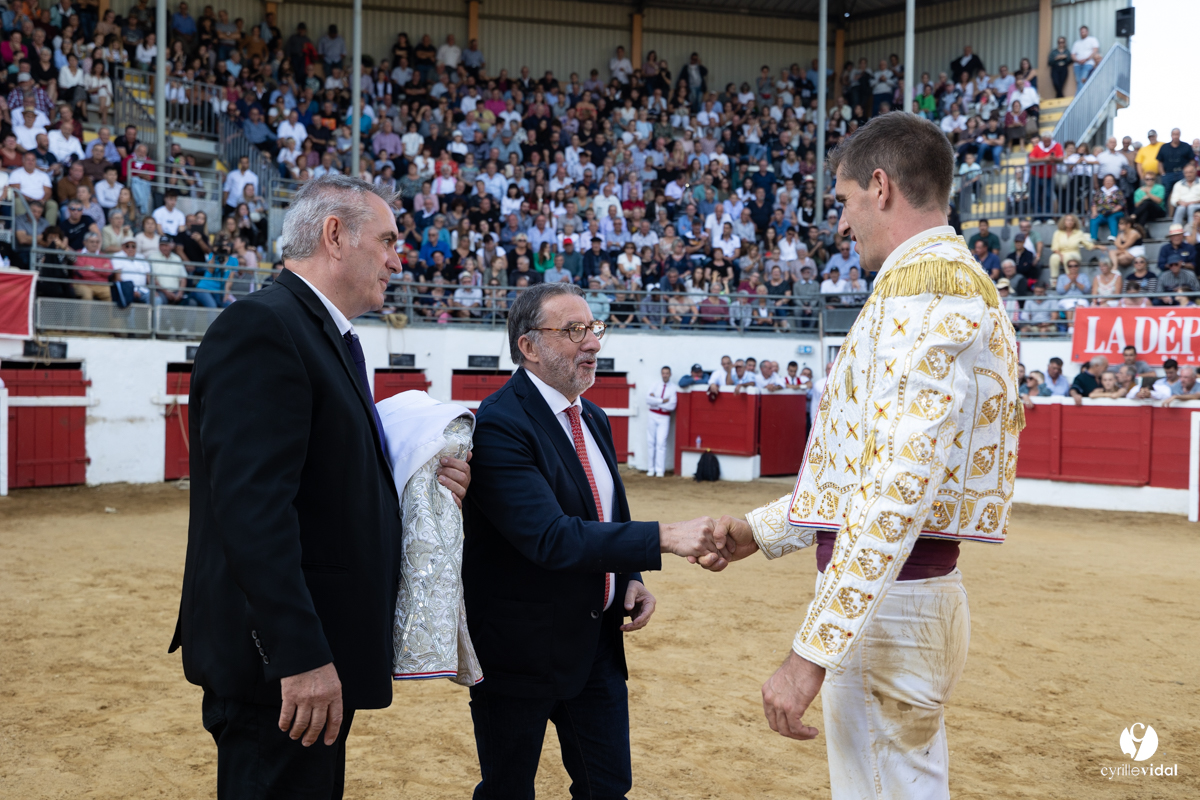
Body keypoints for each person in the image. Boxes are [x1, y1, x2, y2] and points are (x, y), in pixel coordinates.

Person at [701, 113, 1022, 799]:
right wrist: (758, 532)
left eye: (844, 201)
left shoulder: (919, 290)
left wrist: (809, 653)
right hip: (910, 597)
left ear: (880, 187)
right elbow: (869, 473)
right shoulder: (956, 281)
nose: (842, 226)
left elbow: (895, 487)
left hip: (891, 605)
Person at [169, 176, 471, 800]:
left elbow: (326, 482)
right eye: (387, 240)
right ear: (335, 235)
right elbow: (253, 510)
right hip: (280, 669)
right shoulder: (266, 327)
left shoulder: (319, 334)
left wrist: (425, 481)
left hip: (313, 658)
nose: (397, 258)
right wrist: (298, 654)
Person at [461, 282, 728, 798]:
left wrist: (629, 577)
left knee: (608, 788)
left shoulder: (594, 417)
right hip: (520, 654)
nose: (593, 344)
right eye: (574, 331)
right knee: (507, 789)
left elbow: (604, 514)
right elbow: (551, 537)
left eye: (594, 328)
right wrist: (666, 537)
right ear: (529, 346)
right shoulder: (497, 426)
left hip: (598, 646)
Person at [644, 365, 677, 478]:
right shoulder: (655, 385)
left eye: (667, 373)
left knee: (661, 443)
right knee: (650, 442)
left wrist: (656, 401)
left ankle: (659, 470)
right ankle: (650, 469)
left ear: (670, 374)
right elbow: (648, 399)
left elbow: (672, 405)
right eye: (663, 373)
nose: (665, 375)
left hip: (664, 417)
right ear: (661, 374)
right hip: (652, 415)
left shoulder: (673, 388)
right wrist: (662, 401)